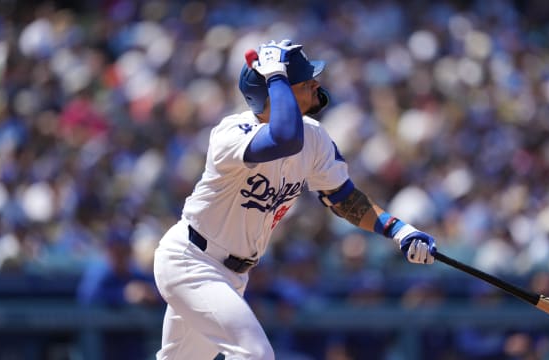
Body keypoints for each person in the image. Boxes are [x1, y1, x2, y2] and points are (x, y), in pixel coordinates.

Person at [153, 39, 437, 360]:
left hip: (232, 274)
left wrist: (399, 230)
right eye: (305, 81)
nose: (316, 83)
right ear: (277, 92)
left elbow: (343, 198)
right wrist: (276, 74)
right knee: (254, 355)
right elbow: (283, 138)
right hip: (192, 260)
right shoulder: (231, 133)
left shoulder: (313, 137)